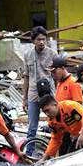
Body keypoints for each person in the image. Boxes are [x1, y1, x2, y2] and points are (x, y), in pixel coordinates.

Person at [22, 26, 57, 154]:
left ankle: (55, 151)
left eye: (44, 39)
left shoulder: (52, 54)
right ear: (33, 41)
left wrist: (57, 96)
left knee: (55, 123)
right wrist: (24, 98)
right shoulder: (27, 55)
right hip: (33, 94)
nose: (41, 42)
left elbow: (57, 76)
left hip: (49, 94)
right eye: (38, 39)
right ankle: (29, 154)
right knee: (32, 127)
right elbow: (26, 76)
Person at [38, 95, 83, 161]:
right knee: (64, 156)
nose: (47, 114)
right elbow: (56, 139)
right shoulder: (52, 122)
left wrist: (82, 133)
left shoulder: (70, 107)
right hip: (75, 136)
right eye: (45, 112)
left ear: (55, 104)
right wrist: (44, 158)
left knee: (72, 156)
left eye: (48, 110)